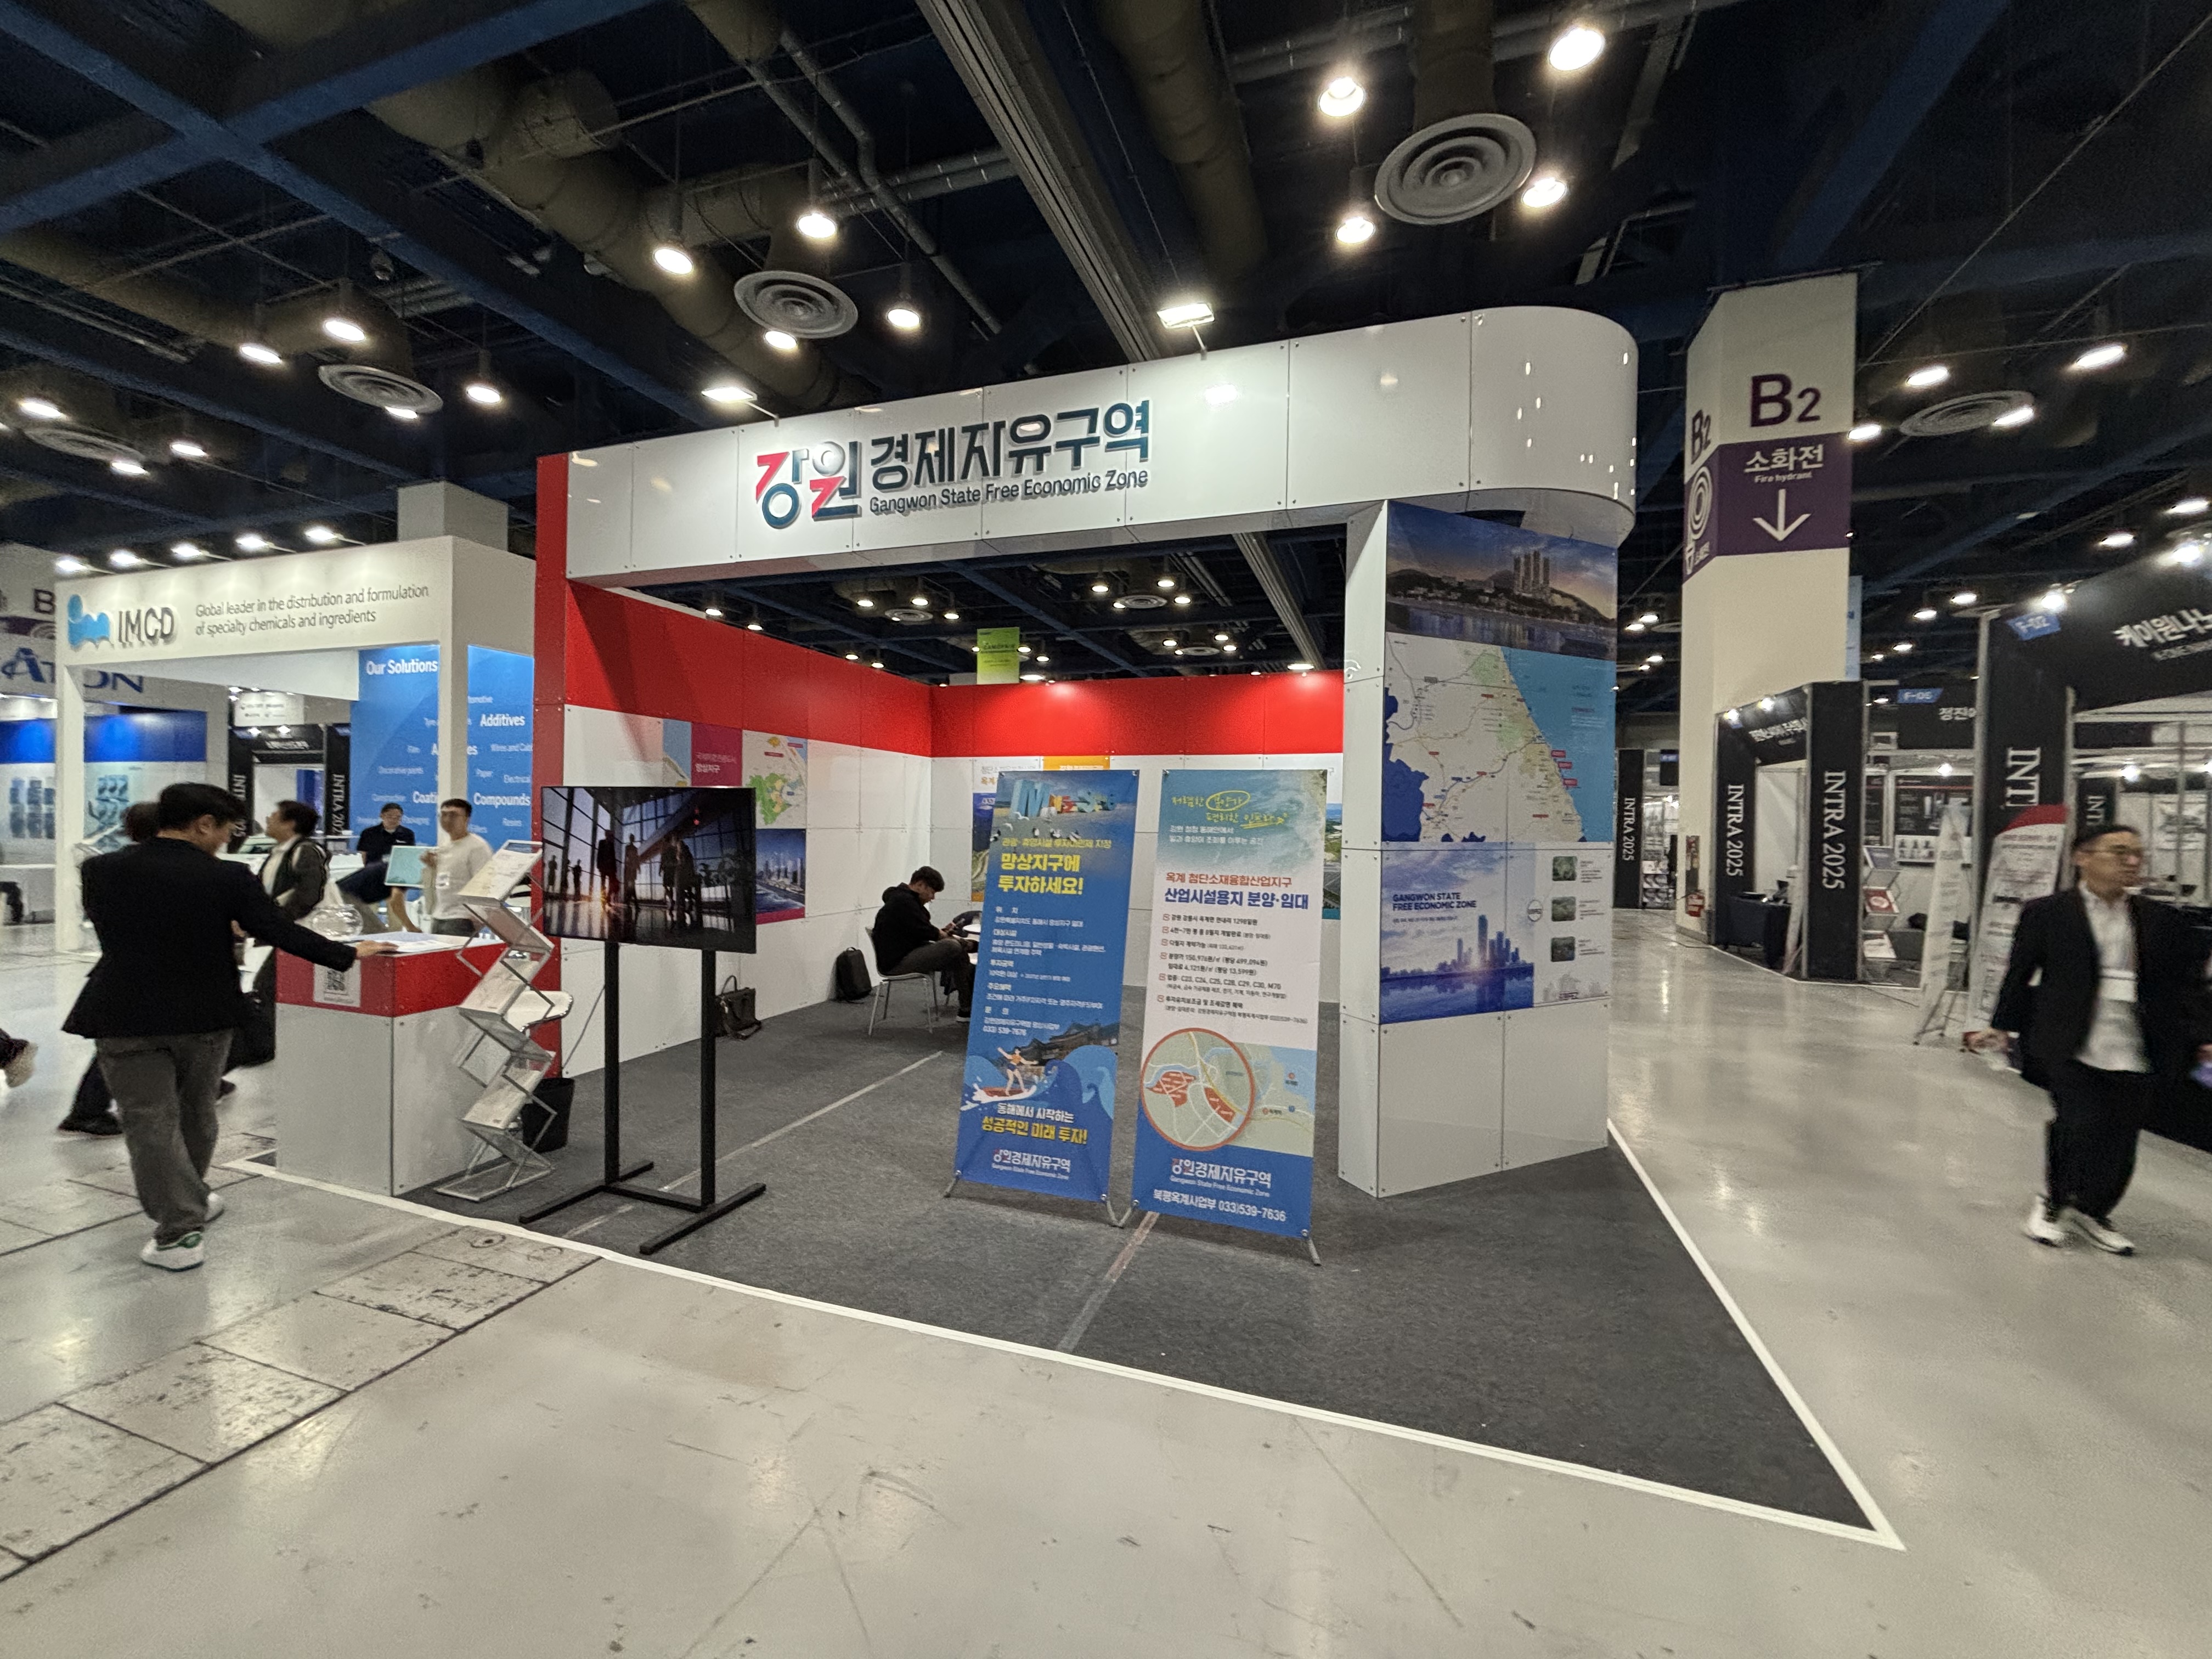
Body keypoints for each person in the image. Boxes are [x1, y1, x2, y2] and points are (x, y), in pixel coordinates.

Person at [65, 783, 392, 1272]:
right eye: (225, 830)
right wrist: (347, 953)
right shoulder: (227, 877)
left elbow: (118, 930)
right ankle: (183, 1216)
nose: (227, 840)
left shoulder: (100, 870)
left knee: (147, 1120)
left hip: (123, 1012)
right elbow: (276, 930)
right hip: (205, 1013)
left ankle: (183, 1220)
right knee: (196, 1111)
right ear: (203, 824)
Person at [1970, 823, 2212, 1254]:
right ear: (2082, 857)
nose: (2131, 862)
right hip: (2072, 1039)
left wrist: (2203, 1035)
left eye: (2137, 854)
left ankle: (2094, 1209)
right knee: (2076, 1124)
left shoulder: (2161, 920)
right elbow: (2020, 973)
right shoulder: (2048, 913)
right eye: (2119, 852)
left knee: (2122, 1133)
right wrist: (2002, 1026)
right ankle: (2055, 1202)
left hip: (2138, 1043)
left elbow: (2186, 987)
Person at [871, 866, 975, 1017]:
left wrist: (941, 933)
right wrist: (944, 935)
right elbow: (928, 932)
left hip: (906, 953)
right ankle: (967, 1006)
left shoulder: (903, 900)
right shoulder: (904, 902)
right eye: (932, 892)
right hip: (896, 963)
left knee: (958, 954)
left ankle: (967, 1009)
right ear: (920, 885)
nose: (932, 898)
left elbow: (922, 931)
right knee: (952, 946)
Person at [419, 798, 493, 937]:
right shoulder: (445, 844)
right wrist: (432, 866)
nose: (447, 819)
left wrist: (477, 917)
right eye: (444, 815)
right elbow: (446, 879)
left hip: (462, 918)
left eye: (453, 815)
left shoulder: (477, 847)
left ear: (467, 819)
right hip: (439, 916)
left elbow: (485, 885)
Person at [337, 802, 416, 929]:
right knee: (370, 913)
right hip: (373, 878)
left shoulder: (407, 834)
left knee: (396, 917)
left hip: (395, 878)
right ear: (382, 816)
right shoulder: (369, 833)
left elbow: (408, 854)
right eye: (390, 816)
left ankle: (396, 937)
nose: (394, 820)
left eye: (398, 817)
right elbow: (364, 855)